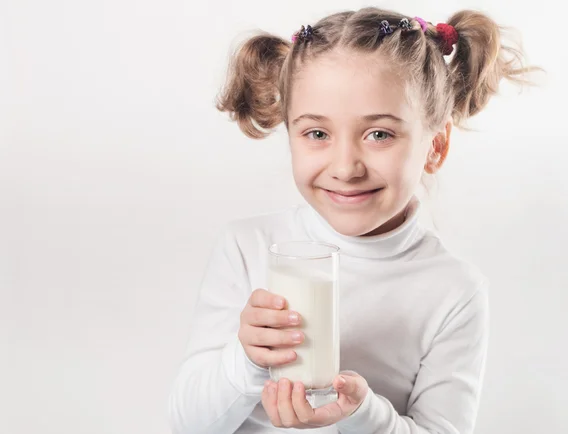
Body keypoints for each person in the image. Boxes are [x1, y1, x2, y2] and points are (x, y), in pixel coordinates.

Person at [168, 6, 535, 433]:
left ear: (435, 145)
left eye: (379, 134)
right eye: (317, 134)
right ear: (290, 133)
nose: (345, 167)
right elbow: (187, 424)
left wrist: (362, 414)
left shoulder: (454, 291)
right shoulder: (248, 246)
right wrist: (247, 360)